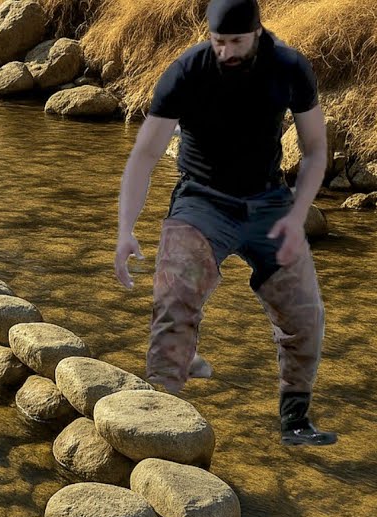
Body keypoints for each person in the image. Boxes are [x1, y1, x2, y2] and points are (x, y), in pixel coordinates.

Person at [114, 0, 337, 446]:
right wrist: (125, 230)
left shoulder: (289, 66)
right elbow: (146, 153)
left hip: (269, 202)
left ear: (258, 32)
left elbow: (314, 149)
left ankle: (296, 419)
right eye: (218, 42)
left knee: (305, 315)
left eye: (236, 42)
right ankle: (160, 418)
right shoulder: (187, 71)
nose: (226, 52)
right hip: (202, 200)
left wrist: (297, 217)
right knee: (174, 295)